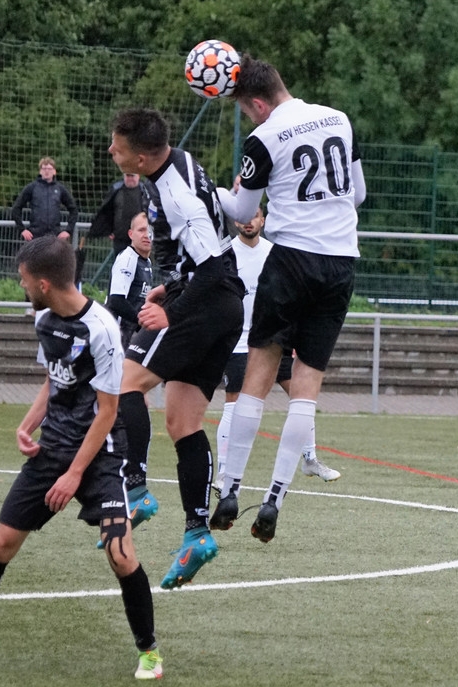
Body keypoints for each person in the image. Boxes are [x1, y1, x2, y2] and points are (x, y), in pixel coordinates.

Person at [0, 236, 162, 680]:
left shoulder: (102, 329)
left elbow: (108, 412)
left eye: (24, 279)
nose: (21, 286)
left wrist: (74, 474)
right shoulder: (45, 319)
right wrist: (27, 425)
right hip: (53, 450)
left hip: (101, 456)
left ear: (44, 283)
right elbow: (53, 380)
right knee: (1, 544)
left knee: (121, 553)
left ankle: (150, 653)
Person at [210, 54, 366, 543]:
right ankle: (274, 498)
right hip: (341, 262)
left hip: (291, 259)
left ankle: (231, 490)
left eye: (246, 111)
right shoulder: (339, 119)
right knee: (306, 387)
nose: (249, 119)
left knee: (256, 378)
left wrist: (215, 190)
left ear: (258, 103)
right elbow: (358, 194)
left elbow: (243, 211)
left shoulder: (265, 137)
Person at [107, 108, 244, 589]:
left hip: (204, 302)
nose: (111, 151)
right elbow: (208, 251)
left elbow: (212, 266)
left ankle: (136, 488)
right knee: (183, 422)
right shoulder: (178, 160)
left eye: (118, 147)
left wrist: (173, 311)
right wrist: (173, 285)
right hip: (219, 304)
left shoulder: (176, 193)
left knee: (124, 383)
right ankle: (196, 534)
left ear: (141, 158)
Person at [214, 208, 340, 491]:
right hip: (238, 341)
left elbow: (292, 296)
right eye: (244, 216)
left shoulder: (275, 253)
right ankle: (223, 471)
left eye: (255, 215)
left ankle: (310, 459)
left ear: (263, 220)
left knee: (301, 394)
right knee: (234, 402)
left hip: (273, 338)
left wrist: (293, 336)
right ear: (236, 220)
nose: (249, 221)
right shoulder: (226, 254)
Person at [106, 212, 153, 350]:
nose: (147, 235)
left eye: (150, 231)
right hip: (116, 334)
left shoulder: (146, 261)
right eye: (141, 230)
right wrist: (142, 324)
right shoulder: (127, 259)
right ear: (131, 234)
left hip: (130, 334)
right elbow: (116, 301)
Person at [10, 157, 79, 242]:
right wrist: (22, 229)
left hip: (54, 236)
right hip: (35, 236)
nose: (47, 171)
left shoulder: (60, 189)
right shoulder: (32, 187)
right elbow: (16, 208)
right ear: (40, 171)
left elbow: (73, 209)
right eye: (44, 168)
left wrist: (68, 230)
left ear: (54, 171)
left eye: (49, 169)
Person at [89, 173, 145, 256]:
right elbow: (107, 211)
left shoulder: (145, 191)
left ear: (138, 176)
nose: (130, 178)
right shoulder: (116, 190)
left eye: (132, 176)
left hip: (140, 238)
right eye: (128, 176)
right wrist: (109, 230)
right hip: (120, 239)